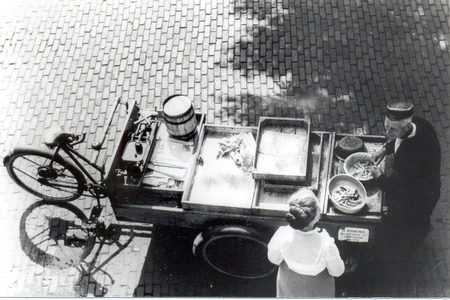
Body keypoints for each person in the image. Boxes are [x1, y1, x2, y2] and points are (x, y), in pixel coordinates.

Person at [371, 101, 441, 259]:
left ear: (407, 126)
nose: (388, 132)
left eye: (393, 129)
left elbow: (399, 189)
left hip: (420, 195)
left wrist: (379, 177)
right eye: (387, 126)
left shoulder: (412, 157)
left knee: (410, 223)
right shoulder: (418, 123)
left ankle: (401, 253)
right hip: (415, 181)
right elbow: (398, 140)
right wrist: (384, 150)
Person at [267, 188, 345, 298]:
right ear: (316, 216)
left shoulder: (282, 234)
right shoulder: (326, 243)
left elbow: (274, 259)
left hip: (289, 284)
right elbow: (337, 272)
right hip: (317, 289)